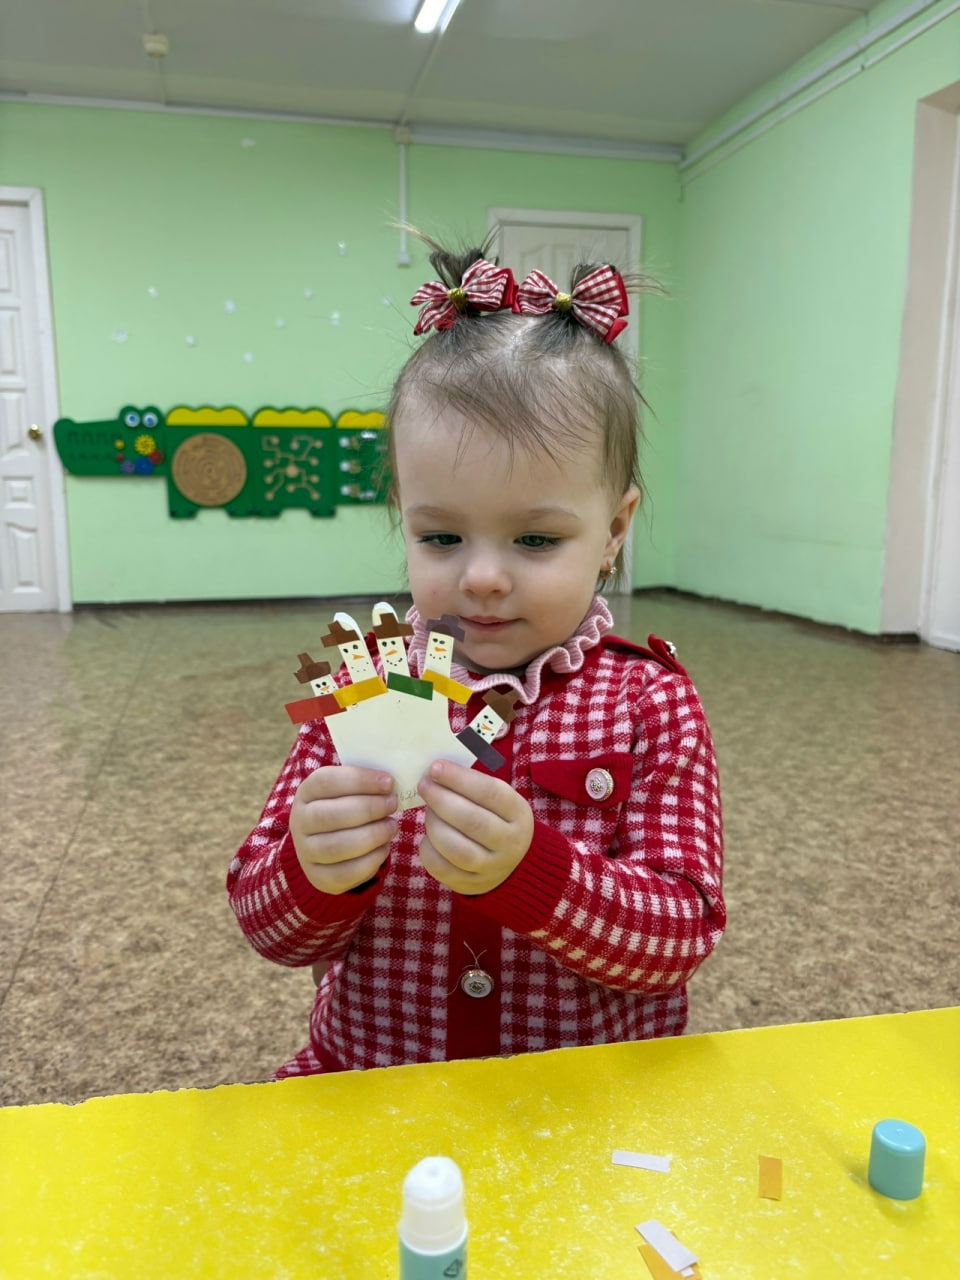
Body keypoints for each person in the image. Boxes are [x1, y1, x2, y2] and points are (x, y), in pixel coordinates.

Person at [227, 237, 725, 1077]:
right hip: (376, 1081)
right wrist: (312, 870)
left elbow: (681, 937)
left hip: (582, 1098)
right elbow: (268, 928)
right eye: (441, 537)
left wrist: (540, 875)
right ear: (403, 516)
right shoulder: (365, 689)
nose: (483, 577)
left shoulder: (648, 702)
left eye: (535, 539)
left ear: (614, 530)